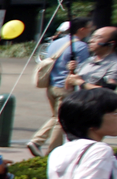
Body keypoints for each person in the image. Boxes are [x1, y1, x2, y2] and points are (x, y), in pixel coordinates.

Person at [28, 18, 94, 157]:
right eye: (89, 27)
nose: (91, 29)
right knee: (61, 120)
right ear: (81, 29)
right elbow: (83, 70)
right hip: (66, 87)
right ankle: (50, 151)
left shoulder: (56, 43)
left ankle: (37, 141)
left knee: (56, 117)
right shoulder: (81, 47)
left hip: (51, 85)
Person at [66, 27, 117, 92]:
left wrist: (80, 83)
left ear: (111, 43)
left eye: (98, 37)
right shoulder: (89, 60)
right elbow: (68, 87)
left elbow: (108, 91)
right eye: (92, 37)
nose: (91, 40)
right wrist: (71, 71)